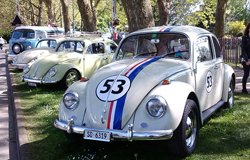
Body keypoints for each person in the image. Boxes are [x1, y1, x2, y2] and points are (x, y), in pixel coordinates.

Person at [241, 22, 250, 93]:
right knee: (246, 74)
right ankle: (244, 89)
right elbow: (243, 50)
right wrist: (247, 60)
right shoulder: (244, 38)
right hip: (246, 59)